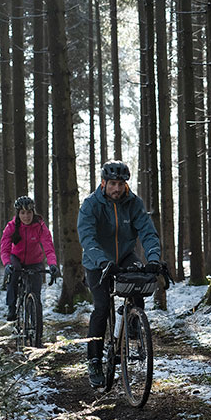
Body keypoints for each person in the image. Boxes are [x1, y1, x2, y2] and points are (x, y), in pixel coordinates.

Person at [77, 160, 162, 388]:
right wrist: (103, 261)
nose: (117, 188)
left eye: (121, 184)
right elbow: (87, 238)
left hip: (125, 256)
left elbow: (148, 233)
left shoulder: (134, 203)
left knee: (139, 282)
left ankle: (133, 323)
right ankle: (94, 360)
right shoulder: (90, 205)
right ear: (103, 182)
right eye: (113, 183)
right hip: (97, 262)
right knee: (102, 307)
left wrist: (153, 259)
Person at [1, 196, 60, 321]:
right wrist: (7, 264)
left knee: (36, 293)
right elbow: (5, 249)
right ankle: (11, 307)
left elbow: (49, 248)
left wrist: (52, 264)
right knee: (14, 273)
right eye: (22, 213)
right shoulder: (11, 227)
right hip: (16, 258)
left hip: (35, 261)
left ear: (33, 212)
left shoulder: (40, 226)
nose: (26, 216)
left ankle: (36, 322)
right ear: (18, 214)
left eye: (29, 212)